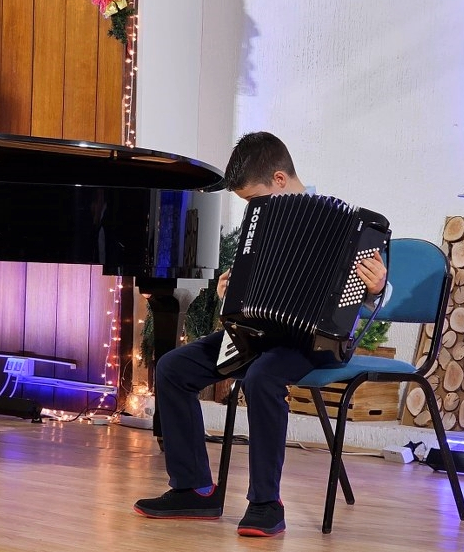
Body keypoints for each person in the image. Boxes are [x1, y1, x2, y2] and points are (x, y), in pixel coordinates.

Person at [133, 132, 389, 538]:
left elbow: (379, 298)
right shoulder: (261, 222)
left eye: (253, 198)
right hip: (257, 334)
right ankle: (194, 489)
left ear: (280, 179)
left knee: (262, 377)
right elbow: (250, 288)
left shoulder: (353, 228)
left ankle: (266, 503)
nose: (251, 209)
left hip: (315, 343)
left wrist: (376, 287)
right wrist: (230, 292)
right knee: (173, 367)